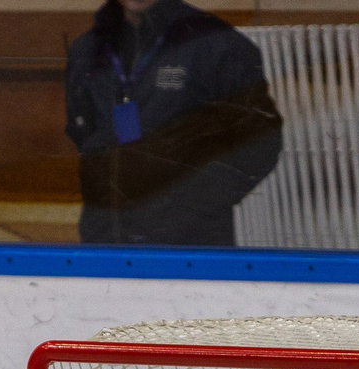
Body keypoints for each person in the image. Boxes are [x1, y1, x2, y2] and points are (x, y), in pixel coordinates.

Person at [64, 0, 283, 248]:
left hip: (189, 243)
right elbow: (82, 130)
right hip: (106, 236)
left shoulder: (216, 44)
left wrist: (192, 205)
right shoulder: (88, 49)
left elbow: (261, 141)